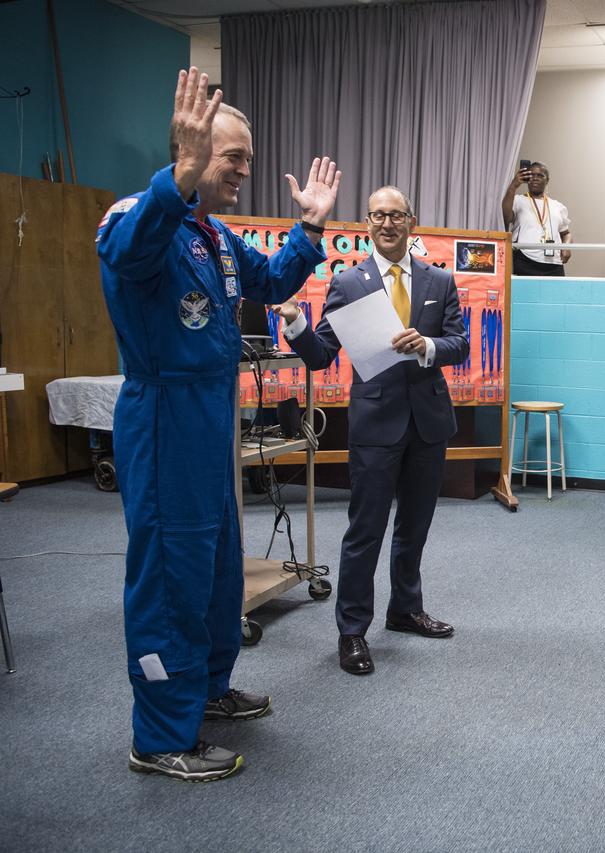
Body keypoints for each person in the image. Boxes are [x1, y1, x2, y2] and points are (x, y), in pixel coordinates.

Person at [98, 67, 340, 781]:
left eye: (247, 160)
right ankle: (160, 734)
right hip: (165, 419)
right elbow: (130, 253)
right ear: (194, 151)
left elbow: (268, 283)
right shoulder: (137, 215)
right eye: (233, 156)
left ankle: (205, 688)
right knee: (170, 576)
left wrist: (311, 227)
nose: (244, 170)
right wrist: (177, 175)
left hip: (212, 422)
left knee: (213, 569)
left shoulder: (214, 236)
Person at [279, 185, 468, 677]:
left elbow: (460, 344)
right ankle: (352, 632)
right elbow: (321, 355)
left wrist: (427, 344)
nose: (387, 223)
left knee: (414, 526)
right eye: (377, 216)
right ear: (367, 224)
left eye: (396, 215)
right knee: (365, 531)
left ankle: (405, 610)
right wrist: (297, 325)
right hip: (375, 426)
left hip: (428, 423)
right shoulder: (348, 285)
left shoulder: (438, 280)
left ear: (411, 222)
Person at [501, 161, 572, 277]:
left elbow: (566, 234)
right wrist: (513, 186)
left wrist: (567, 247)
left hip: (554, 263)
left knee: (555, 295)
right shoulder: (518, 200)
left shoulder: (558, 206)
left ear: (547, 180)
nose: (535, 178)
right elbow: (504, 217)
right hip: (524, 259)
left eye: (540, 176)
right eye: (532, 175)